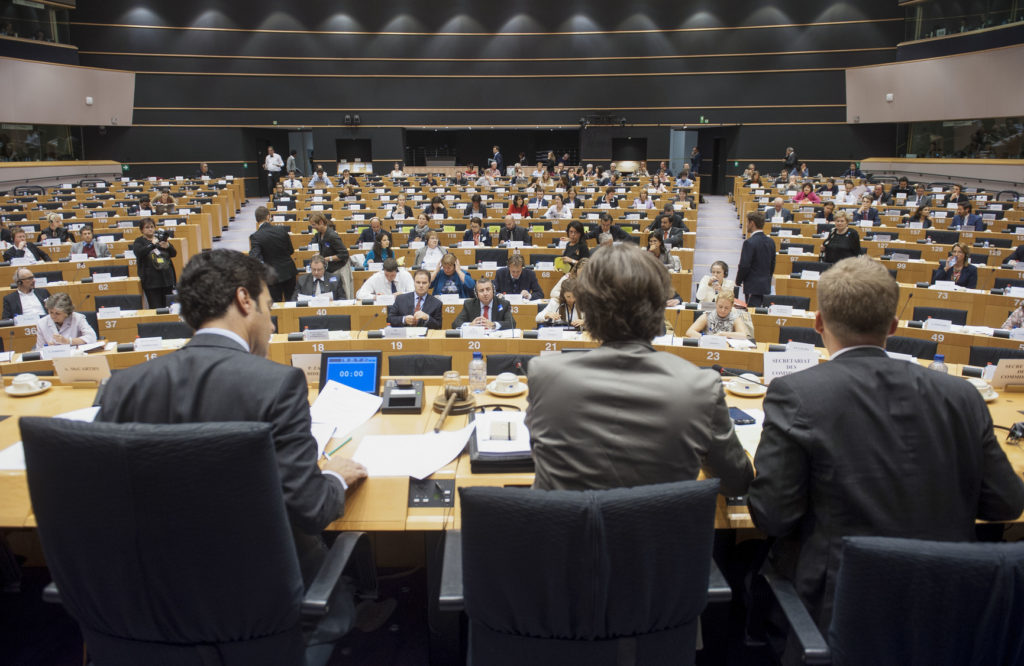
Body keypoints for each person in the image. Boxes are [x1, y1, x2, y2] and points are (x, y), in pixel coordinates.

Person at [747, 256, 1024, 644]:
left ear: (819, 323)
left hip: (836, 614)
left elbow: (773, 516)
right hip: (949, 612)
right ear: (893, 326)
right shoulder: (961, 395)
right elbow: (1006, 504)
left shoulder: (797, 394)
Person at [98, 249, 368, 586]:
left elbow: (104, 501)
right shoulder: (277, 384)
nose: (271, 325)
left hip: (150, 590)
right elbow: (311, 510)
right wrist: (335, 477)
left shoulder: (123, 386)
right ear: (244, 300)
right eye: (268, 308)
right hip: (256, 589)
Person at [526, 243, 752, 493]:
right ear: (659, 311)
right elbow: (736, 483)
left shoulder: (544, 376)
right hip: (660, 518)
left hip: (575, 518)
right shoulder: (701, 388)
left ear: (588, 309)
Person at [248, 206, 296, 302]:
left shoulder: (255, 236)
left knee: (276, 305)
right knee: (291, 302)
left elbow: (254, 258)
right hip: (289, 272)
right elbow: (291, 250)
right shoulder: (281, 230)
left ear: (257, 219)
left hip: (272, 276)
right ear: (268, 217)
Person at [134, 217, 178, 308]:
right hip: (151, 282)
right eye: (147, 227)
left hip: (166, 279)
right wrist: (152, 244)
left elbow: (174, 253)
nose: (150, 229)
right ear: (142, 230)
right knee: (156, 308)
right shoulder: (139, 241)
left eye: (152, 227)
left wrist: (168, 246)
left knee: (169, 307)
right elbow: (139, 253)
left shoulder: (161, 239)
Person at [736, 211, 775, 307]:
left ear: (752, 223)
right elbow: (772, 264)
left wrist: (738, 280)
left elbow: (744, 265)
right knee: (761, 312)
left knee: (751, 312)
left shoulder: (749, 242)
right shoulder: (771, 242)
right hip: (765, 286)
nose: (746, 225)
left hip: (752, 286)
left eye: (747, 222)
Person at [684, 291, 749, 339]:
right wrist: (706, 338)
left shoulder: (735, 317)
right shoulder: (707, 315)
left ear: (731, 306)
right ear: (716, 304)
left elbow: (743, 335)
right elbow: (689, 332)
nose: (723, 310)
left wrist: (723, 334)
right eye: (720, 307)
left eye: (726, 308)